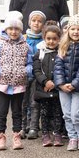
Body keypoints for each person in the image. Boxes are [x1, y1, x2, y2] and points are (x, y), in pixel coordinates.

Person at [0, 11, 33, 150]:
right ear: (6, 29)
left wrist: (27, 70)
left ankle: (16, 136)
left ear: (21, 30)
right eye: (11, 28)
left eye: (16, 29)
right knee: (1, 112)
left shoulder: (26, 45)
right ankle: (1, 137)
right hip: (2, 84)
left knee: (17, 112)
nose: (13, 32)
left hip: (19, 84)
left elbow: (30, 62)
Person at [53, 14, 79, 151]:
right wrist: (61, 84)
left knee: (76, 113)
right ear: (68, 30)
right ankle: (72, 137)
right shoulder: (62, 46)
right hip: (63, 87)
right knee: (67, 114)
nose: (76, 32)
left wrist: (75, 84)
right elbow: (58, 67)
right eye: (73, 29)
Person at [32, 21, 63, 147]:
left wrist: (55, 82)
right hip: (43, 89)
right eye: (48, 38)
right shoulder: (39, 53)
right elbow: (37, 70)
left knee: (57, 112)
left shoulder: (62, 52)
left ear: (59, 39)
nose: (51, 41)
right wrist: (45, 81)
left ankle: (57, 134)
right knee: (44, 113)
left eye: (54, 39)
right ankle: (45, 134)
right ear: (44, 38)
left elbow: (63, 69)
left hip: (57, 88)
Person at [22, 10, 46, 140]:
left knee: (35, 102)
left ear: (43, 24)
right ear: (29, 22)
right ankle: (22, 126)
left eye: (39, 21)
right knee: (23, 102)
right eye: (34, 20)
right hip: (23, 75)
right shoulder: (23, 38)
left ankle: (33, 127)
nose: (36, 23)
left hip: (38, 76)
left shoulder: (44, 39)